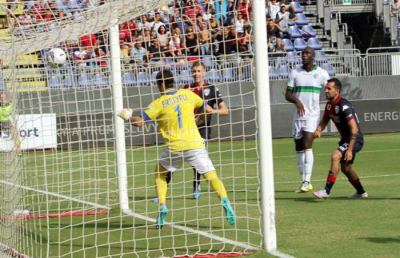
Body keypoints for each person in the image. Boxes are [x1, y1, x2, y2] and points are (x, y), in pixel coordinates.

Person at [118, 69, 235, 228]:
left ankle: (162, 206)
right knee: (211, 176)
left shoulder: (158, 103)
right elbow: (203, 106)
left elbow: (139, 123)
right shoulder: (187, 94)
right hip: (195, 143)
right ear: (173, 81)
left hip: (175, 147)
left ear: (160, 85)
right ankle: (225, 200)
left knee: (160, 172)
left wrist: (128, 116)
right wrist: (198, 119)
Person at [313, 78, 368, 199]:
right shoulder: (329, 105)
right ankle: (361, 192)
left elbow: (354, 129)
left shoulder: (344, 106)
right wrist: (319, 129)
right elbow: (325, 119)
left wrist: (349, 150)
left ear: (337, 91)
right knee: (346, 168)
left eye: (329, 88)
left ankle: (326, 191)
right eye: (325, 88)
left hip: (355, 139)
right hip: (346, 140)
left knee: (335, 156)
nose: (326, 91)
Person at [285, 47, 330, 193]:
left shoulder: (322, 73)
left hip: (312, 114)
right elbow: (287, 94)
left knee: (307, 143)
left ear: (313, 56)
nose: (304, 55)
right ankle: (304, 180)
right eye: (303, 53)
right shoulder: (295, 72)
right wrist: (297, 101)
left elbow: (331, 88)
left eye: (307, 53)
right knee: (298, 146)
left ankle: (307, 180)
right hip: (299, 115)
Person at [183, 61, 229, 199]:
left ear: (205, 73)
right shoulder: (186, 88)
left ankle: (196, 185)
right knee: (177, 157)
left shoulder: (212, 88)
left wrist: (212, 111)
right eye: (194, 71)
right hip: (188, 128)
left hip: (203, 128)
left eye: (199, 71)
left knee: (198, 157)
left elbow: (225, 110)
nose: (196, 74)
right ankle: (163, 191)